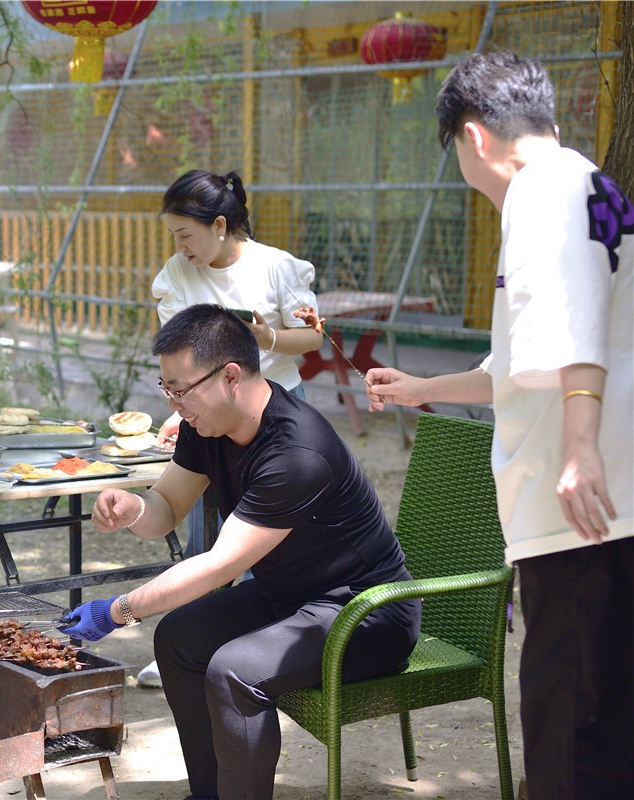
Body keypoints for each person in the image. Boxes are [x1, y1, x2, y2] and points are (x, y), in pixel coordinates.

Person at [365, 51, 632, 799]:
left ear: (474, 138)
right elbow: (520, 366)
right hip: (604, 509)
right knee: (602, 725)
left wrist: (579, 447)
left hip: (577, 514)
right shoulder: (587, 184)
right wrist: (422, 388)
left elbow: (576, 329)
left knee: (570, 735)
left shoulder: (540, 192)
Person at [61, 303, 421, 800]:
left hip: (365, 613)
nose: (174, 404)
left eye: (181, 390)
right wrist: (132, 508)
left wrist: (118, 611)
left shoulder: (297, 452)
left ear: (230, 376)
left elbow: (219, 566)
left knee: (235, 671)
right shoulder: (206, 425)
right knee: (178, 639)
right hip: (289, 597)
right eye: (167, 389)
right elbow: (166, 506)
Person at [140, 169, 323, 687]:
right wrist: (181, 410)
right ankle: (193, 635)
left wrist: (266, 338)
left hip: (275, 409)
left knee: (267, 531)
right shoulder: (177, 273)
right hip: (208, 406)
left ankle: (270, 639)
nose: (179, 247)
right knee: (205, 529)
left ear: (219, 225)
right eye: (173, 236)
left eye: (185, 234)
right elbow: (178, 355)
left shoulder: (277, 266)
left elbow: (313, 338)